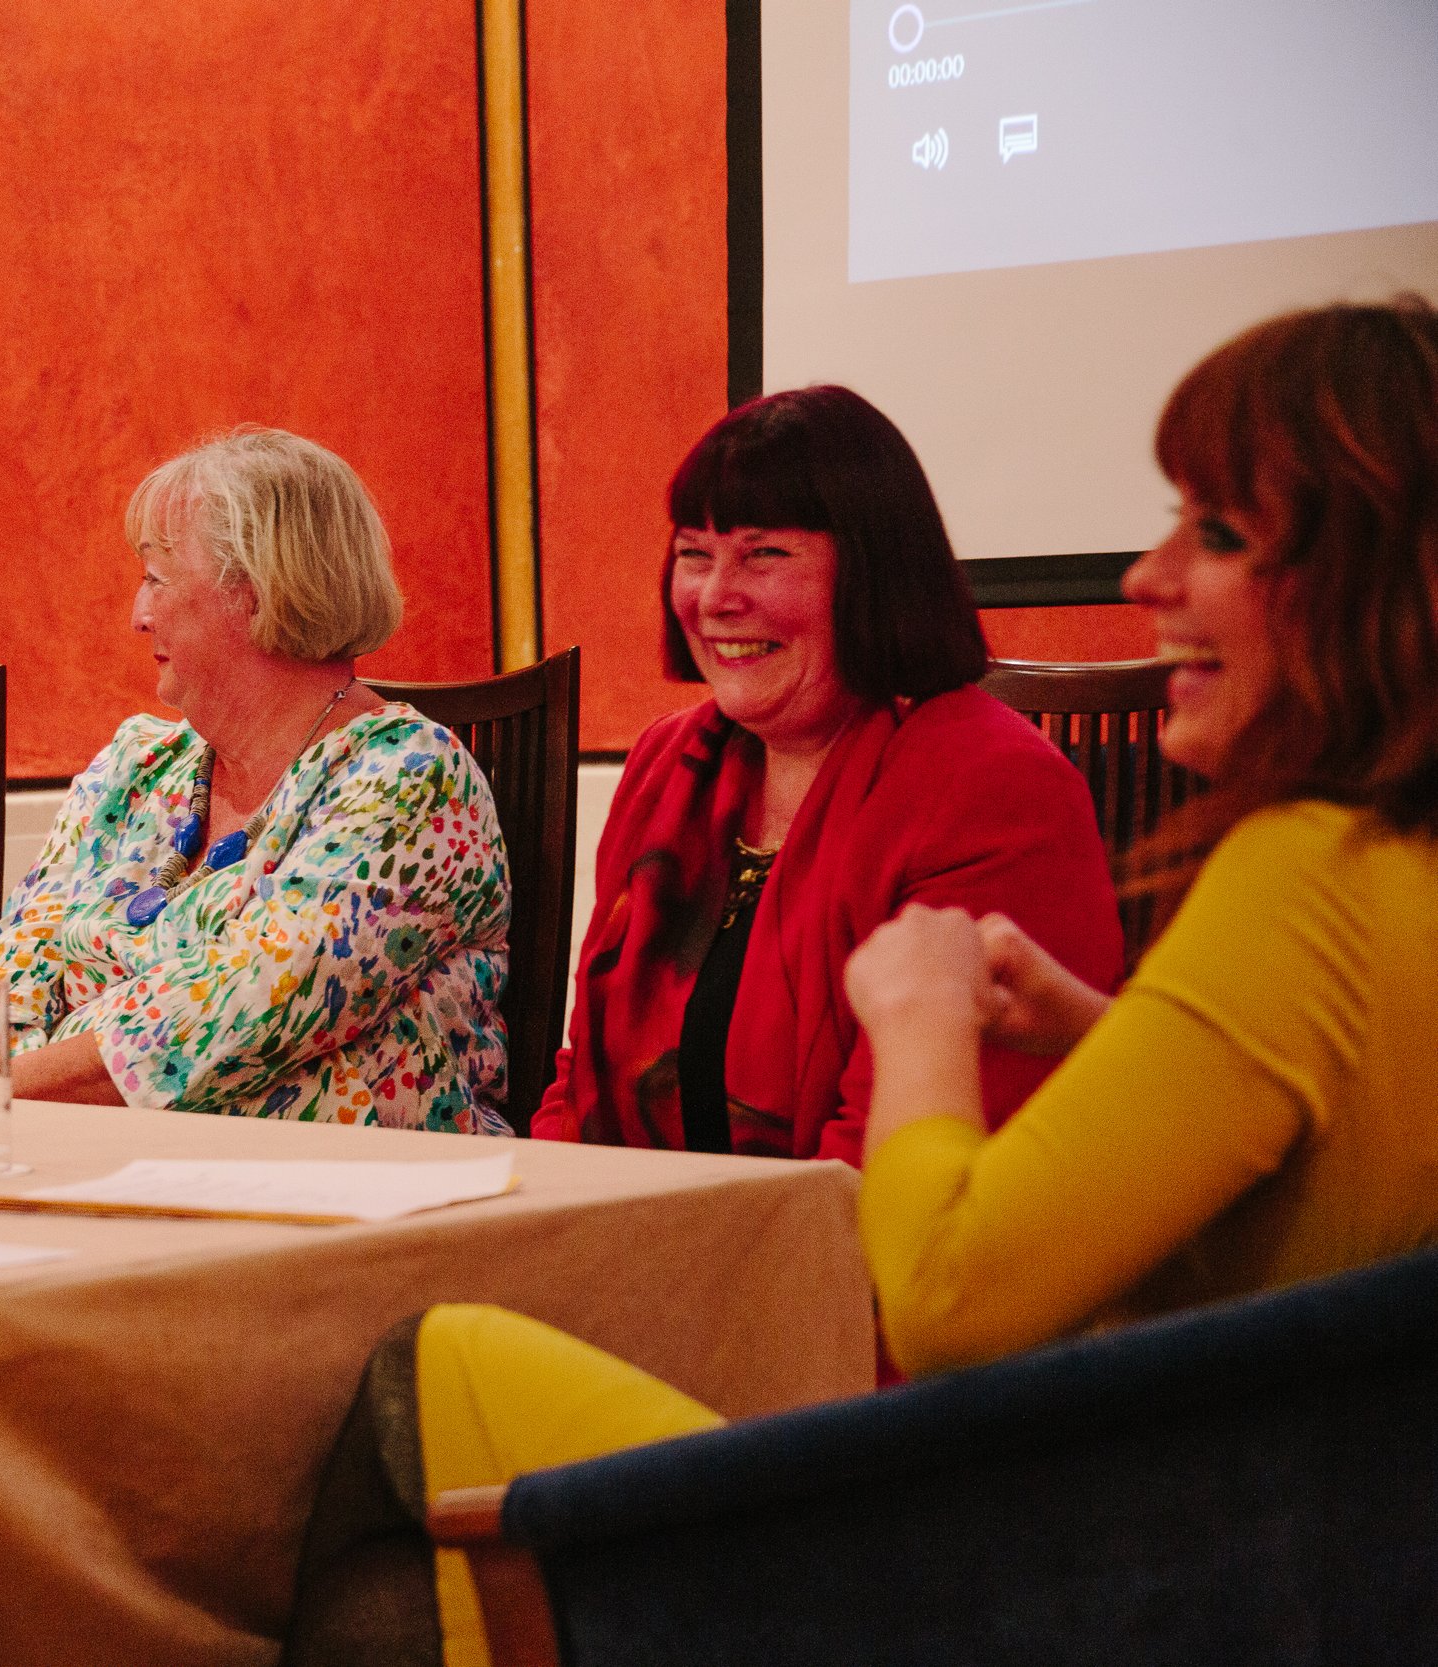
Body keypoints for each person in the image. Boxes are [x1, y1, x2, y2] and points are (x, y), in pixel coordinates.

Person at [283, 298, 1438, 1666]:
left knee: (398, 1417)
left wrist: (916, 1013)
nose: (1147, 573)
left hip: (990, 1504)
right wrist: (1085, 1024)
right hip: (1225, 1520)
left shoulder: (1239, 855)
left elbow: (947, 1300)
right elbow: (1265, 1163)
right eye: (694, 552)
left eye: (1221, 532)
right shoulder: (1381, 864)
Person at [535, 384, 1121, 1162]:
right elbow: (583, 1076)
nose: (714, 598)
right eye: (693, 555)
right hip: (650, 1236)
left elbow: (890, 1158)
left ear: (874, 574)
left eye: (764, 554)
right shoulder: (666, 764)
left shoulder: (993, 786)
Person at [0, 426, 511, 1134]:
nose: (138, 615)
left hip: (354, 1211)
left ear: (254, 595)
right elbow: (4, 981)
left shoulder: (409, 780)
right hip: (106, 1174)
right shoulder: (134, 769)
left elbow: (239, 1016)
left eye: (157, 580)